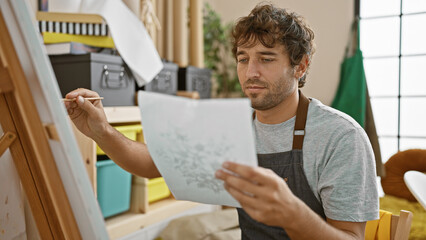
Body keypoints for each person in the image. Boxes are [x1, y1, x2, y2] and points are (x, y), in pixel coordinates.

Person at [65, 3, 379, 239]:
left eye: (266, 59)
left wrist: (291, 212)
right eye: (243, 59)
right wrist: (101, 131)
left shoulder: (341, 137)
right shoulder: (229, 124)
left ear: (300, 66)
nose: (251, 72)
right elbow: (152, 164)